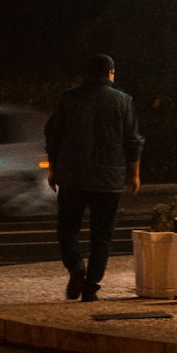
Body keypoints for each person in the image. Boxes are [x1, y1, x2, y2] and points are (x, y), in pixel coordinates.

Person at [44, 53, 143, 301]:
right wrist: (135, 174)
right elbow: (133, 140)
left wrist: (53, 169)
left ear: (88, 73)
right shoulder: (124, 101)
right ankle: (91, 286)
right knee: (102, 235)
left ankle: (76, 264)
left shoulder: (70, 98)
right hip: (108, 181)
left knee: (68, 228)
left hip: (73, 176)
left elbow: (53, 134)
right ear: (111, 72)